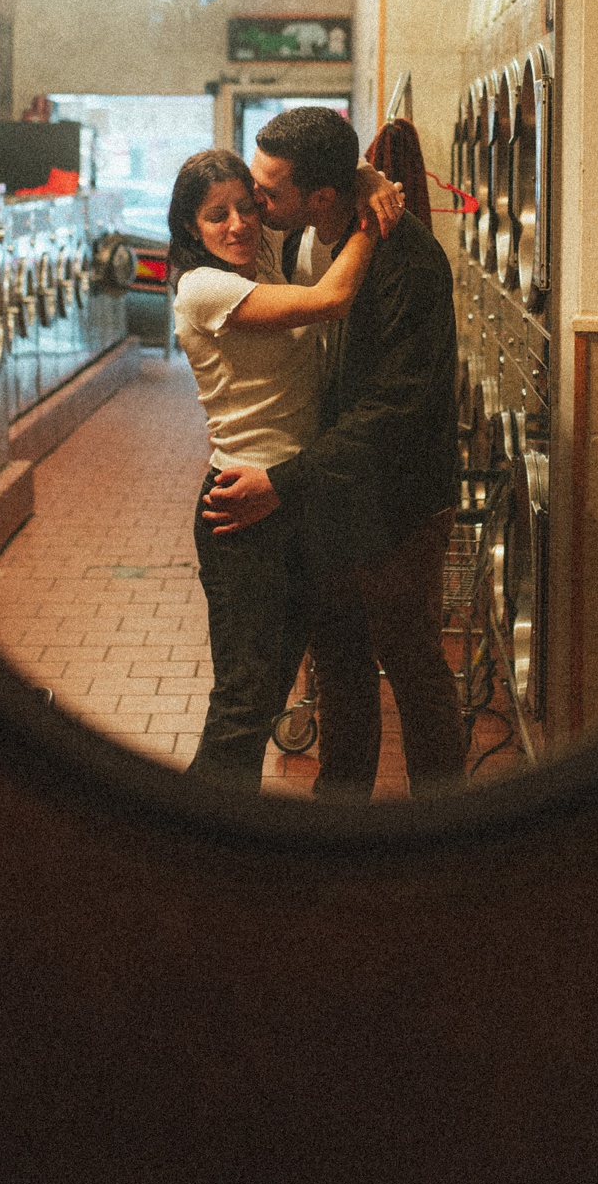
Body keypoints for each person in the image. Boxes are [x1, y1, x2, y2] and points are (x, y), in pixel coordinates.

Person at [204, 105, 466, 800]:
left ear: (321, 196)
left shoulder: (406, 259)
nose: (254, 202)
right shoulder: (297, 241)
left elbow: (392, 411)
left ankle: (444, 823)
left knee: (411, 665)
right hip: (330, 494)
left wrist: (283, 483)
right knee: (339, 665)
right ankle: (337, 813)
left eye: (268, 190)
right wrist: (364, 173)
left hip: (397, 500)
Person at [168, 148, 383, 789]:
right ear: (190, 230)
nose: (237, 224)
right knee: (243, 702)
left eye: (246, 207)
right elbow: (333, 298)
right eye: (216, 216)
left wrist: (364, 178)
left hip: (294, 494)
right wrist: (373, 220)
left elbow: (312, 192)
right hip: (242, 506)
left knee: (267, 691)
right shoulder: (204, 287)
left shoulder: (259, 254)